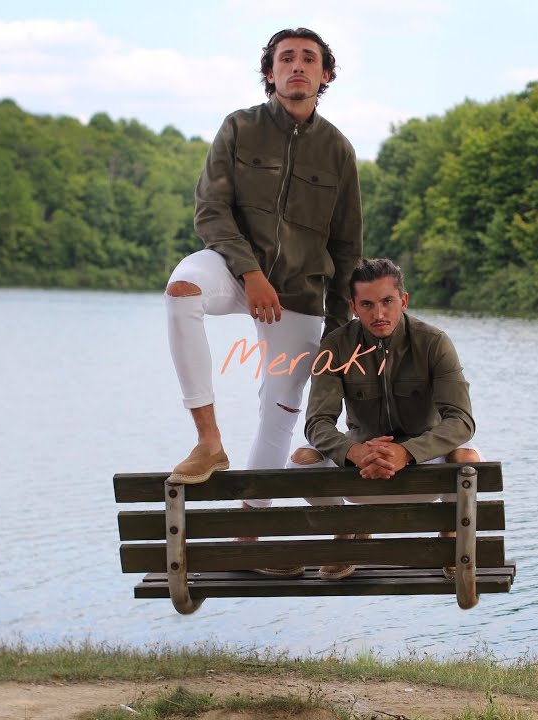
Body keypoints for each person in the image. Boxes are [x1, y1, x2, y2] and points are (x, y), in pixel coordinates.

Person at [163, 28, 363, 573]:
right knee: (182, 290)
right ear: (269, 72)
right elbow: (211, 210)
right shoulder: (239, 127)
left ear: (325, 74)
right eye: (285, 58)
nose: (297, 66)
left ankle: (249, 537)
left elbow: (347, 249)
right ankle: (208, 442)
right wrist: (250, 273)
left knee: (279, 412)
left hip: (300, 292)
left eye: (309, 59)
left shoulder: (338, 150)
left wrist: (338, 334)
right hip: (233, 269)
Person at [288, 258, 483, 580]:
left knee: (467, 459)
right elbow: (317, 423)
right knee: (300, 461)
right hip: (361, 467)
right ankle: (347, 529)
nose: (378, 314)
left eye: (387, 302)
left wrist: (407, 452)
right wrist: (354, 452)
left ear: (403, 301)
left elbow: (462, 420)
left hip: (425, 464)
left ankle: (451, 536)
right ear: (353, 307)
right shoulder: (336, 346)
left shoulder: (434, 342)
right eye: (367, 304)